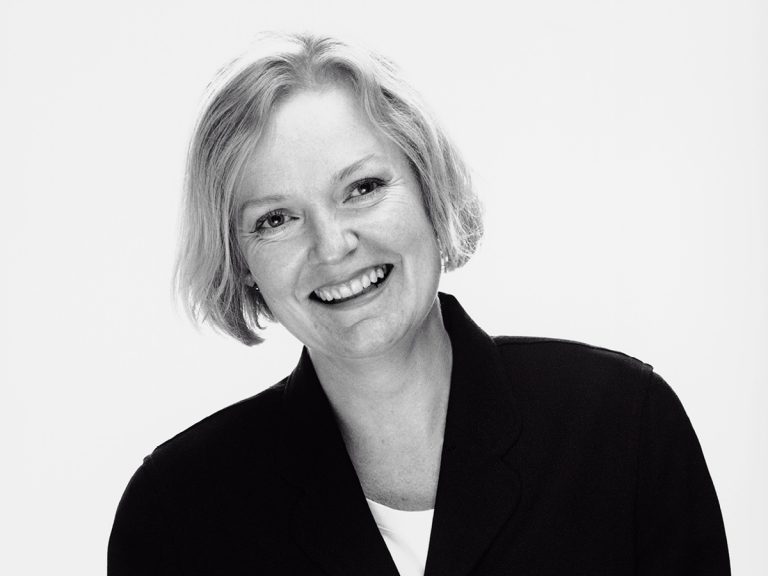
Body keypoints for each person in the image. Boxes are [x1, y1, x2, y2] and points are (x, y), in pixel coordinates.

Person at [108, 33, 730, 576]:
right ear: (241, 260)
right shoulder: (175, 514)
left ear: (429, 189)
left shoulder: (623, 426)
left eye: (363, 187)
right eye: (276, 218)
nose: (333, 245)